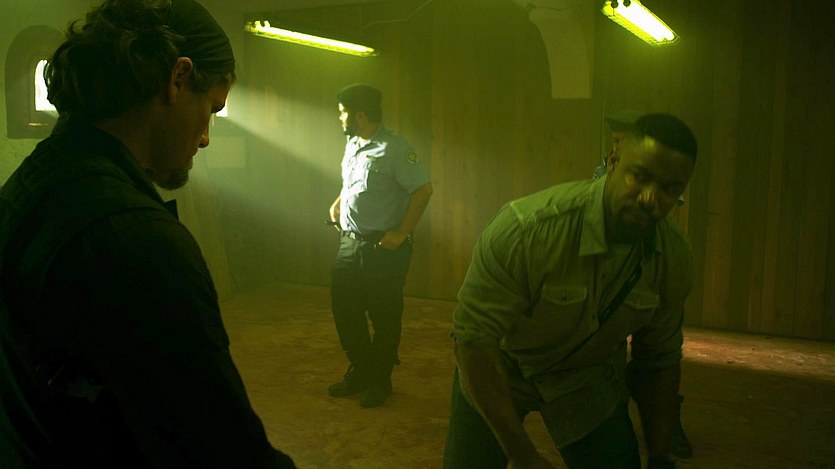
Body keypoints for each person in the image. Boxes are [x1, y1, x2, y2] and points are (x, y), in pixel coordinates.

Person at [0, 1, 295, 467]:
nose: (205, 137)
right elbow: (225, 451)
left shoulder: (29, 185)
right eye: (211, 109)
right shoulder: (139, 242)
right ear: (178, 79)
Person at [443, 113, 698, 469]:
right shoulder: (526, 230)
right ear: (613, 161)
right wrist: (521, 453)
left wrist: (659, 459)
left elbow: (658, 360)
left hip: (584, 375)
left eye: (670, 190)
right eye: (639, 177)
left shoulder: (673, 257)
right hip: (503, 363)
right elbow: (472, 341)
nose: (649, 199)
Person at [326, 83, 433, 408]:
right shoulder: (353, 143)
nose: (340, 118)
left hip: (383, 249)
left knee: (384, 316)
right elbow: (352, 183)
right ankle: (361, 370)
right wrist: (339, 203)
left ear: (359, 115)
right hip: (350, 242)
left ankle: (380, 380)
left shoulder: (394, 148)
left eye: (343, 112)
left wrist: (401, 232)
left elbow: (423, 190)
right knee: (345, 310)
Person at [596, 110, 693, 460]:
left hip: (640, 269)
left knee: (654, 358)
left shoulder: (652, 178)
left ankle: (665, 422)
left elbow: (661, 355)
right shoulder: (603, 173)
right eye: (614, 140)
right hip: (601, 280)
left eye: (621, 137)